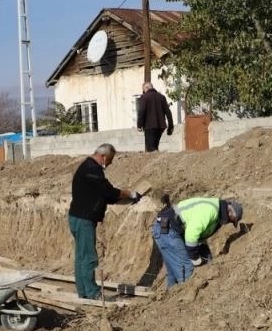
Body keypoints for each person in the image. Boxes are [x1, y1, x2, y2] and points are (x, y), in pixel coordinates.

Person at [69, 143, 142, 300]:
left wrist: (121, 198)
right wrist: (130, 194)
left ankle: (84, 292)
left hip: (77, 217)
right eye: (109, 161)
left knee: (81, 256)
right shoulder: (92, 169)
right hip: (83, 219)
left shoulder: (87, 167)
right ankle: (92, 293)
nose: (109, 164)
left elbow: (105, 195)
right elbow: (107, 191)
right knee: (88, 257)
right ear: (103, 157)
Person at [152, 196, 243, 288]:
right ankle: (185, 299)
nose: (228, 222)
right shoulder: (211, 211)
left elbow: (200, 235)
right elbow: (191, 235)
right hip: (167, 230)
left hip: (166, 229)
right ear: (230, 212)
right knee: (187, 269)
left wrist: (205, 253)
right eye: (231, 220)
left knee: (173, 274)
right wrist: (195, 258)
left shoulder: (216, 210)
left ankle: (168, 298)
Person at [137, 82, 174, 152]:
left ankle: (157, 159)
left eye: (143, 90)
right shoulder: (162, 97)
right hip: (160, 126)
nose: (143, 92)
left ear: (146, 88)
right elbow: (168, 112)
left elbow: (141, 112)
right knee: (155, 146)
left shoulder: (144, 97)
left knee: (151, 148)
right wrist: (170, 127)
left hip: (149, 126)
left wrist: (139, 125)